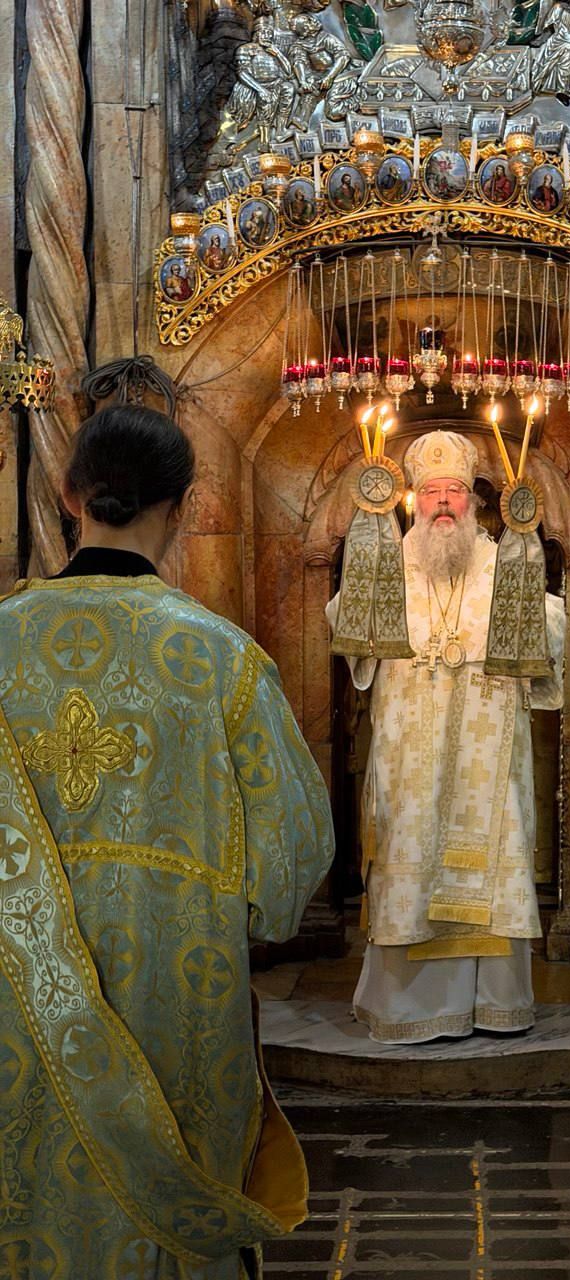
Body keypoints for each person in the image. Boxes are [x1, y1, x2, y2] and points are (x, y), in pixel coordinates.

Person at [0, 404, 335, 1276]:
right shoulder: (221, 661)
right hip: (176, 997)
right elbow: (291, 866)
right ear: (182, 506)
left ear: (69, 494)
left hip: (15, 1003)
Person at [327, 430, 566, 1043]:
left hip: (487, 751)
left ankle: (493, 1003)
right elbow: (347, 622)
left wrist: (530, 606)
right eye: (430, 490)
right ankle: (409, 1008)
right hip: (409, 749)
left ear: (473, 500)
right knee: (410, 847)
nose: (441, 502)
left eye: (453, 491)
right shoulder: (388, 561)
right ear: (412, 498)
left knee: (494, 845)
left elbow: (548, 627)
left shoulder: (503, 560)